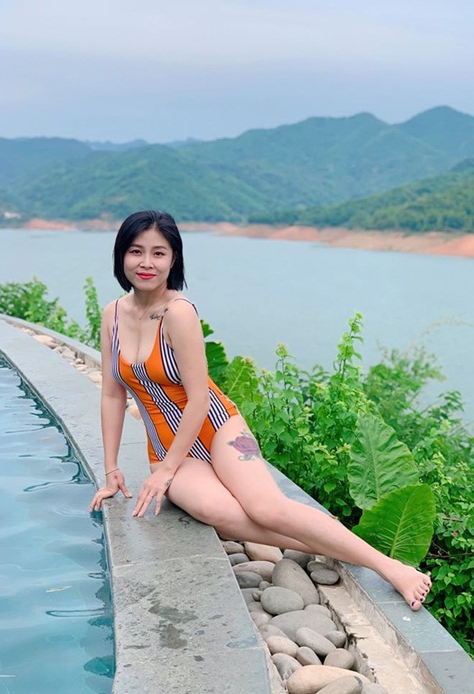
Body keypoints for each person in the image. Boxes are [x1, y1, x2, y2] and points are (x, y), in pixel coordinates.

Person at [89, 210, 431, 610]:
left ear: (173, 259)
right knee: (220, 514)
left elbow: (199, 399)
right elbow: (112, 395)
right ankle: (333, 540)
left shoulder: (178, 313)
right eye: (136, 251)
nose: (146, 263)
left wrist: (165, 472)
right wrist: (111, 469)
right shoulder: (112, 315)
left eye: (158, 253)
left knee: (266, 508)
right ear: (121, 255)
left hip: (217, 427)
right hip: (166, 445)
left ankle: (389, 567)